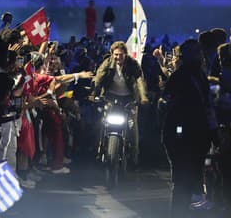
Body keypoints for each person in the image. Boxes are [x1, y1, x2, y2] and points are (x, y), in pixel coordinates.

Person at [161, 39, 218, 218]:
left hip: (196, 133)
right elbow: (171, 100)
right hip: (182, 133)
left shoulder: (198, 75)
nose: (199, 56)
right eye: (195, 52)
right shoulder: (182, 76)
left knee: (190, 175)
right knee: (182, 178)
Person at [91, 41, 149, 165]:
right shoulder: (107, 63)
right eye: (115, 55)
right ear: (112, 54)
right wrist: (94, 94)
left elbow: (140, 80)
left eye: (121, 55)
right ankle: (99, 148)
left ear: (125, 54)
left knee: (132, 126)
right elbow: (99, 78)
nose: (118, 57)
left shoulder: (133, 64)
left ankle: (134, 155)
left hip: (129, 98)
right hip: (110, 97)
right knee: (101, 122)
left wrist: (143, 97)